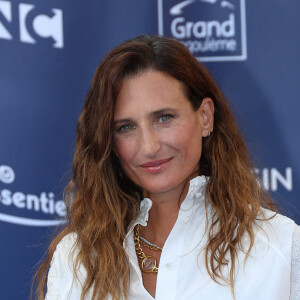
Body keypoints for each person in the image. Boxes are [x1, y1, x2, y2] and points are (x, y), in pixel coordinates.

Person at [34, 35, 300, 300]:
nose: (149, 147)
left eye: (164, 118)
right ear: (110, 142)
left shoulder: (280, 247)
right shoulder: (77, 259)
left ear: (205, 117)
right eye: (126, 127)